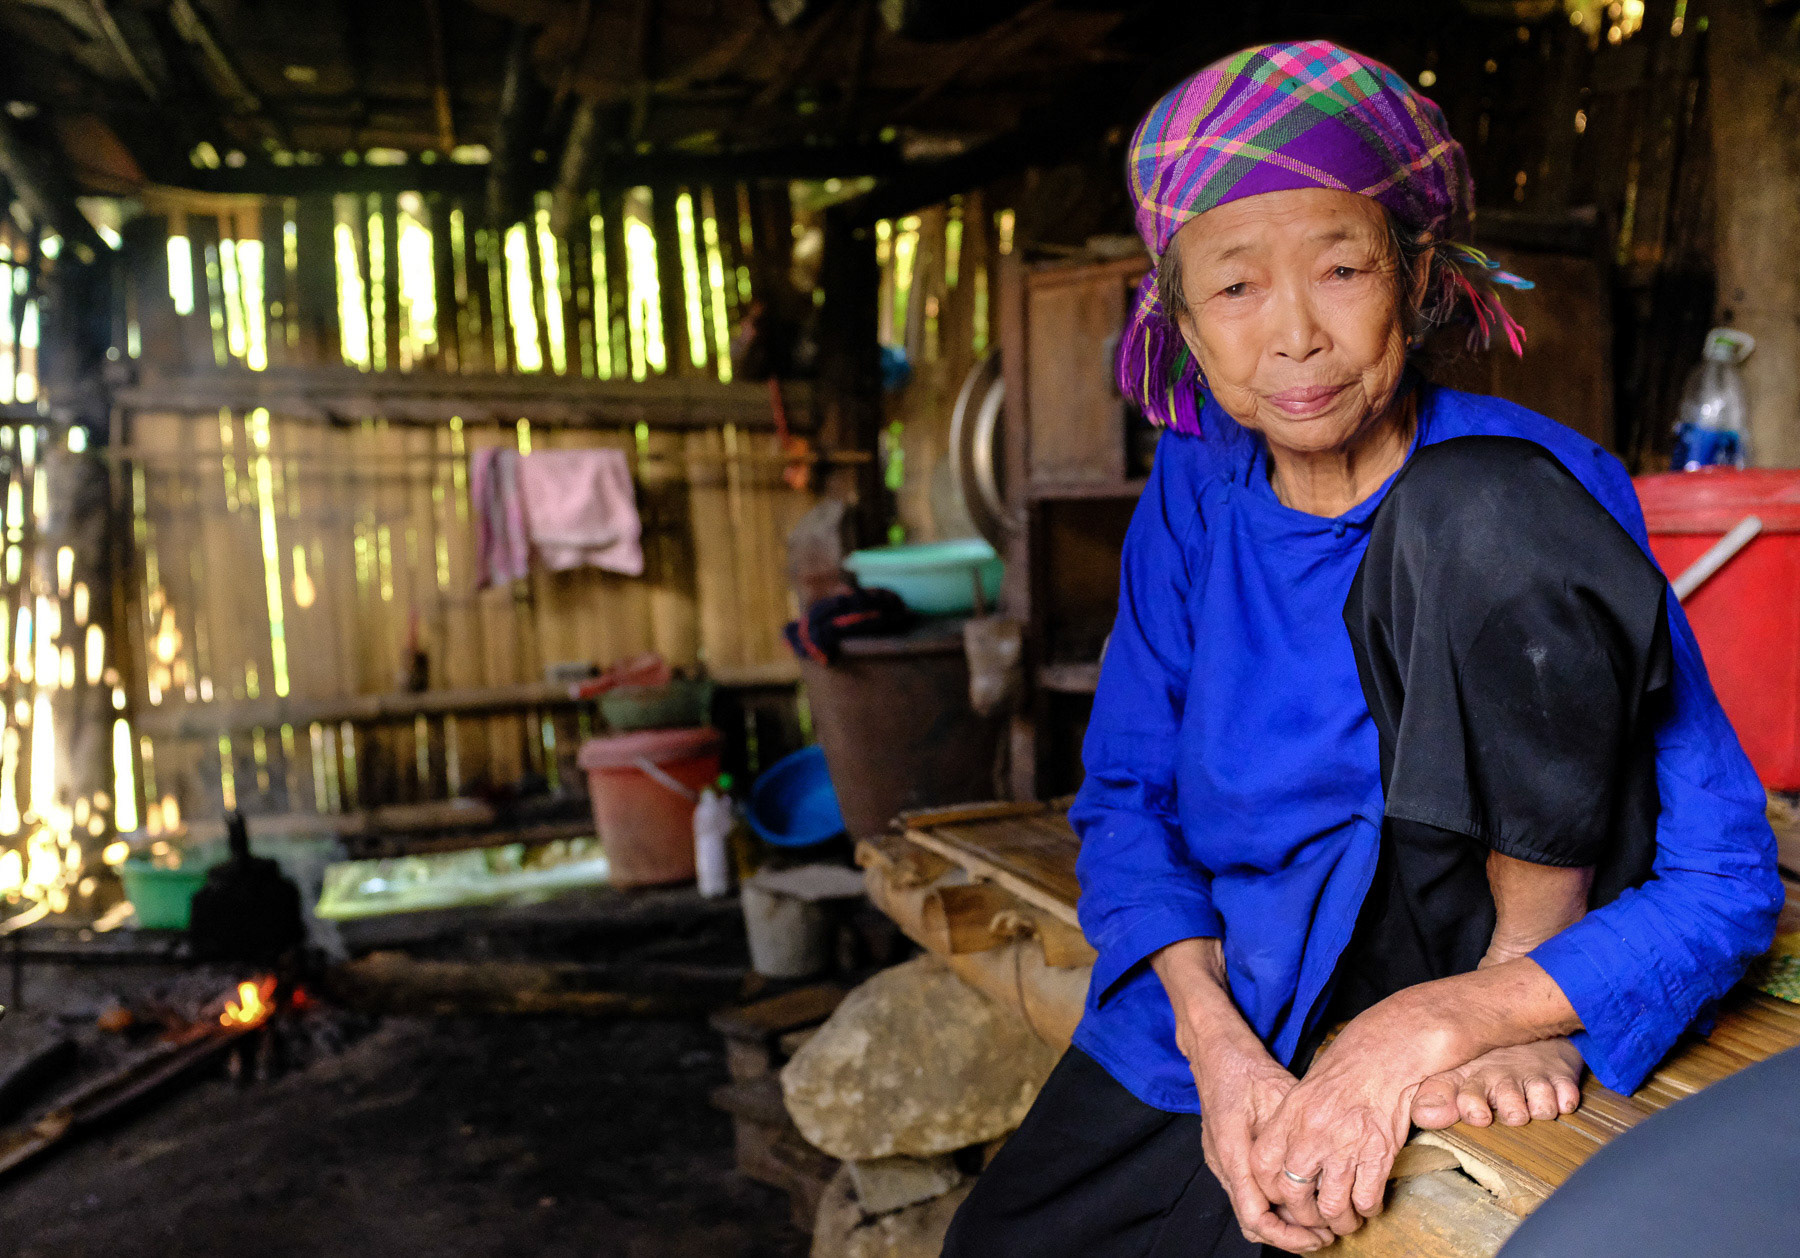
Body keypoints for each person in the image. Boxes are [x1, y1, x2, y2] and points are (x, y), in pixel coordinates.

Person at [940, 40, 1782, 1257]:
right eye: (1235, 289)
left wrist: (1464, 1016)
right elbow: (1126, 799)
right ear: (1177, 318)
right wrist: (1214, 1042)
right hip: (1255, 982)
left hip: (1481, 957)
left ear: (1419, 276)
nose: (1295, 337)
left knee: (1476, 502)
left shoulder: (1541, 487)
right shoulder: (1195, 493)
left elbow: (1723, 881)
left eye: (1342, 269)